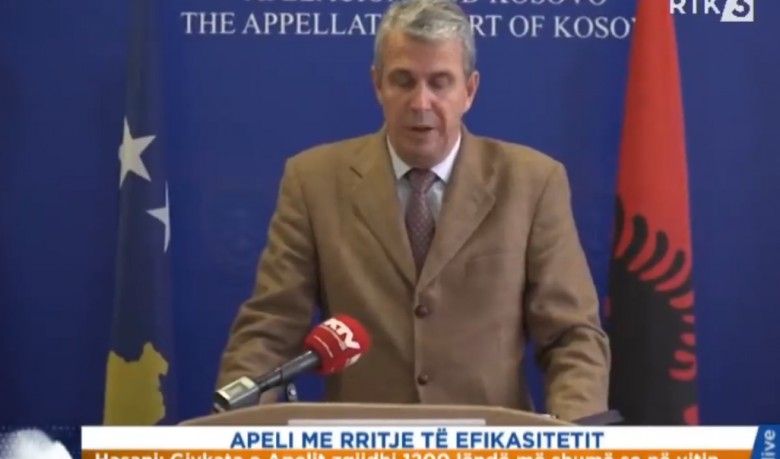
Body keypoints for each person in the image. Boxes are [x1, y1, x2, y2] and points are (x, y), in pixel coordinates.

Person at [215, 0, 610, 422]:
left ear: (469, 90)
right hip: (361, 451)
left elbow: (571, 336)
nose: (421, 102)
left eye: (440, 83)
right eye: (403, 81)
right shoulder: (313, 181)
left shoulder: (533, 183)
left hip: (488, 452)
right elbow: (270, 329)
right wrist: (231, 432)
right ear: (377, 85)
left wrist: (576, 439)